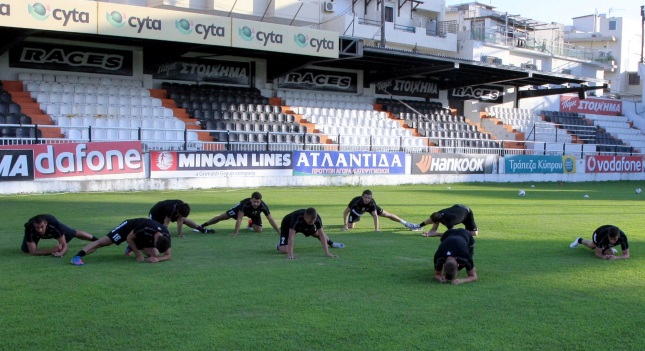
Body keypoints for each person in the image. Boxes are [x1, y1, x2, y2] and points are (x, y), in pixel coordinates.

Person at [71, 218, 172, 266]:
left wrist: (158, 259)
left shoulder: (166, 235)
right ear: (155, 243)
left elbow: (168, 255)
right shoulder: (145, 228)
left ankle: (133, 246)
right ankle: (77, 257)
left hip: (140, 236)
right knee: (104, 242)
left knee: (155, 254)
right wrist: (138, 255)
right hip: (128, 229)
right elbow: (129, 237)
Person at [201, 191, 281, 237]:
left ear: (260, 201)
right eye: (254, 201)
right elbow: (239, 219)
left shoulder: (263, 206)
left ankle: (250, 224)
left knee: (258, 230)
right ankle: (203, 225)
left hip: (254, 214)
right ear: (250, 200)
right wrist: (236, 233)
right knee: (223, 217)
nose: (256, 204)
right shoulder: (245, 204)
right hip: (240, 210)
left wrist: (279, 232)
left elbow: (270, 219)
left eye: (258, 202)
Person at [277, 208, 344, 260]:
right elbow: (291, 237)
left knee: (317, 234)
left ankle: (332, 243)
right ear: (305, 218)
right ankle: (281, 244)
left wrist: (327, 253)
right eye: (311, 221)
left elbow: (322, 234)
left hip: (305, 226)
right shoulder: (297, 218)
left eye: (314, 221)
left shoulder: (316, 219)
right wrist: (290, 255)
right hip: (287, 226)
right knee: (284, 250)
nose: (313, 223)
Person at [21, 214, 99, 257]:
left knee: (73, 233)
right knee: (25, 250)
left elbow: (64, 245)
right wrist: (52, 250)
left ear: (46, 223)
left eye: (42, 227)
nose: (40, 230)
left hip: (53, 227)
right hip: (34, 234)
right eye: (37, 228)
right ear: (34, 225)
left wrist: (60, 253)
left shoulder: (55, 226)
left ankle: (97, 240)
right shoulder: (29, 228)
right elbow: (33, 252)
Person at [341, 189, 417, 232]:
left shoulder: (372, 203)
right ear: (362, 197)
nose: (367, 199)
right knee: (350, 226)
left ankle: (406, 223)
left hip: (369, 208)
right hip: (357, 211)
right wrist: (345, 225)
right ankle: (351, 222)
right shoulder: (355, 201)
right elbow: (345, 212)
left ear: (371, 198)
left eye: (369, 198)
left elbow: (375, 216)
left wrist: (377, 229)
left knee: (387, 214)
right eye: (365, 197)